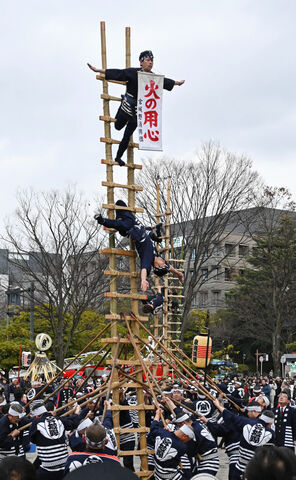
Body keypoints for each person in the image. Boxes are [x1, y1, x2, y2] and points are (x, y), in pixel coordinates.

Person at [88, 50, 184, 166]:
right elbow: (118, 73)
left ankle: (118, 157)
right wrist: (98, 70)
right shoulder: (133, 72)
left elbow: (164, 82)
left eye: (152, 61)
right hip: (127, 105)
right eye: (148, 60)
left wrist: (177, 83)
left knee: (127, 136)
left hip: (138, 111)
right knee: (118, 126)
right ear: (141, 62)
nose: (150, 63)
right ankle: (119, 127)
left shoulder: (153, 78)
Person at [95, 200, 183, 291]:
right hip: (134, 223)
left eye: (163, 263)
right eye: (165, 262)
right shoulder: (156, 256)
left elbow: (144, 269)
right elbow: (169, 267)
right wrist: (178, 273)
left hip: (129, 230)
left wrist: (143, 280)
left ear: (157, 266)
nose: (164, 261)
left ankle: (102, 221)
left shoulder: (147, 259)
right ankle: (118, 218)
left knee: (121, 224)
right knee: (120, 203)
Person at [29, 400, 81, 479]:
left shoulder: (35, 423)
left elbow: (32, 440)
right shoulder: (59, 419)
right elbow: (73, 423)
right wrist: (77, 412)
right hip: (64, 464)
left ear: (36, 416)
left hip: (47, 467)